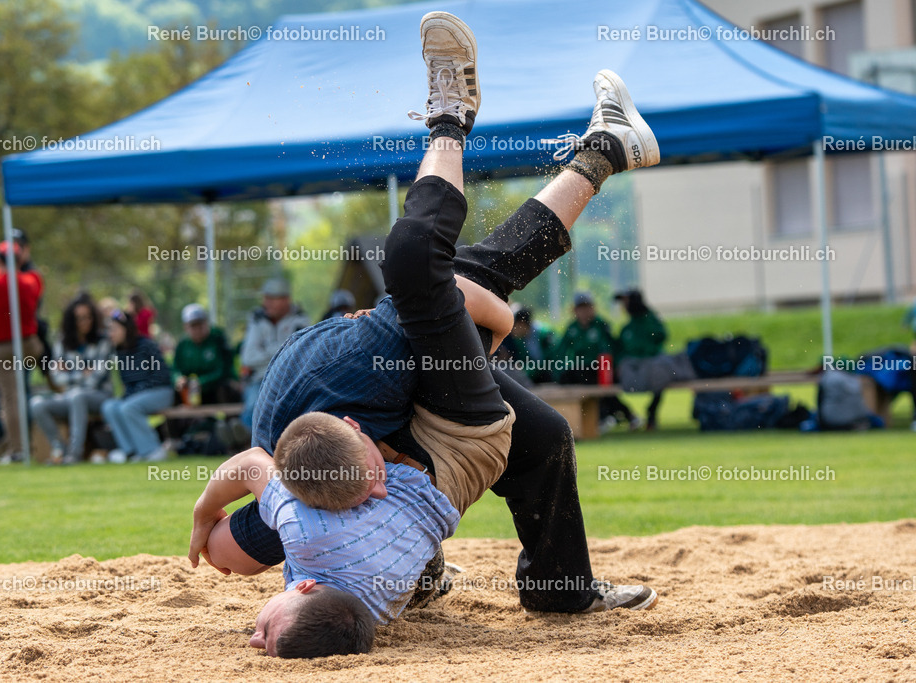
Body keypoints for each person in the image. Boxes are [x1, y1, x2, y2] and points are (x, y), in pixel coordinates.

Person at [189, 11, 661, 657]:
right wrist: (493, 320)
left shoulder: (309, 532)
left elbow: (226, 549)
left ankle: (605, 151)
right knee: (417, 263)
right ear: (365, 434)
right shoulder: (310, 519)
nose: (252, 636)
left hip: (401, 424)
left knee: (544, 431)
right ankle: (452, 119)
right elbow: (247, 474)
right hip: (447, 433)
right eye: (263, 633)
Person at [0, 242, 45, 464]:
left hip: (4, 347)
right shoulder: (32, 280)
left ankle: (17, 448)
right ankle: (20, 442)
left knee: (10, 399)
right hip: (30, 344)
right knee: (22, 393)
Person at [29, 294, 113, 464]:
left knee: (77, 396)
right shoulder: (62, 342)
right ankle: (60, 450)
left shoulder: (103, 342)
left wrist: (70, 374)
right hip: (70, 397)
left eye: (88, 317)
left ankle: (75, 454)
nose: (84, 322)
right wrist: (83, 373)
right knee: (37, 404)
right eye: (79, 318)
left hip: (99, 396)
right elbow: (56, 377)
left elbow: (95, 380)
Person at [551, 291, 639, 431]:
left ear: (593, 308)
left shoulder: (601, 325)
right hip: (582, 369)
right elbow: (561, 352)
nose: (584, 311)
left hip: (601, 368)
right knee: (569, 377)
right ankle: (605, 416)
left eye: (587, 307)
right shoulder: (572, 328)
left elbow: (611, 348)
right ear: (574, 310)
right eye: (580, 307)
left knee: (599, 387)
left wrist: (614, 366)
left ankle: (614, 416)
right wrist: (557, 369)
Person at [101, 309, 173, 462]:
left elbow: (162, 376)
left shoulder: (146, 345)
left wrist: (137, 392)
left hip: (161, 392)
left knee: (128, 407)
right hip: (136, 395)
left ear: (126, 329)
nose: (110, 334)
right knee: (109, 406)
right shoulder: (120, 351)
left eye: (114, 329)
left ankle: (153, 450)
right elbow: (128, 384)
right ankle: (130, 452)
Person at [239, 277, 309, 427]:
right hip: (259, 379)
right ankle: (246, 441)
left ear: (286, 299)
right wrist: (281, 350)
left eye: (271, 299)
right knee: (252, 408)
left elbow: (300, 354)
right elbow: (248, 357)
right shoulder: (257, 319)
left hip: (289, 378)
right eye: (265, 298)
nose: (266, 303)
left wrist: (265, 351)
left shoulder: (300, 320)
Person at [614, 289, 668, 430]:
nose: (624, 306)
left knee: (660, 372)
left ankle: (651, 413)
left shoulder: (650, 320)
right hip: (632, 369)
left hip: (650, 365)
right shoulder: (627, 327)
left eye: (626, 302)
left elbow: (660, 337)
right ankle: (627, 415)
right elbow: (620, 348)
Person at [172, 303, 236, 404]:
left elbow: (223, 370)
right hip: (192, 390)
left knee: (224, 388)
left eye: (200, 324)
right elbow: (175, 368)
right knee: (174, 392)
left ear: (206, 323)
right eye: (193, 326)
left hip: (214, 387)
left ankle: (229, 419)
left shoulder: (217, 339)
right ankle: (182, 420)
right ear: (186, 327)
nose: (198, 329)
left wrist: (201, 382)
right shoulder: (183, 344)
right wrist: (178, 379)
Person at [497, 305, 553, 384]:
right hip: (533, 373)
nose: (511, 330)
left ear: (521, 323)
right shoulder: (520, 339)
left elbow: (549, 361)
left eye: (513, 325)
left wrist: (526, 370)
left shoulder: (545, 334)